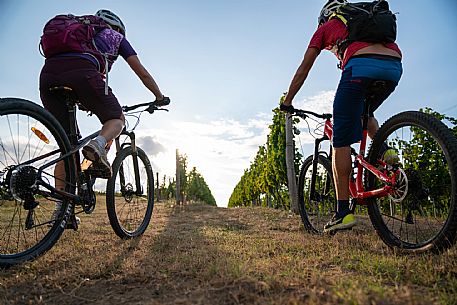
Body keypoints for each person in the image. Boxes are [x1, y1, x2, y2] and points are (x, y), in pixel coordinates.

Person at [280, 0, 403, 233]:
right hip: (394, 67)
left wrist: (288, 101)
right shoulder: (363, 21)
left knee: (340, 139)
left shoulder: (325, 28)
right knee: (365, 113)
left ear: (325, 16)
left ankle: (343, 212)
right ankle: (387, 152)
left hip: (359, 67)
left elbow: (304, 68)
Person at [40, 9, 169, 225]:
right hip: (82, 72)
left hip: (48, 75)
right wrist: (159, 96)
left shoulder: (81, 30)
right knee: (117, 119)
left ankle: (63, 212)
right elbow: (142, 72)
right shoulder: (116, 37)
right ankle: (99, 145)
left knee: (68, 147)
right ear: (118, 28)